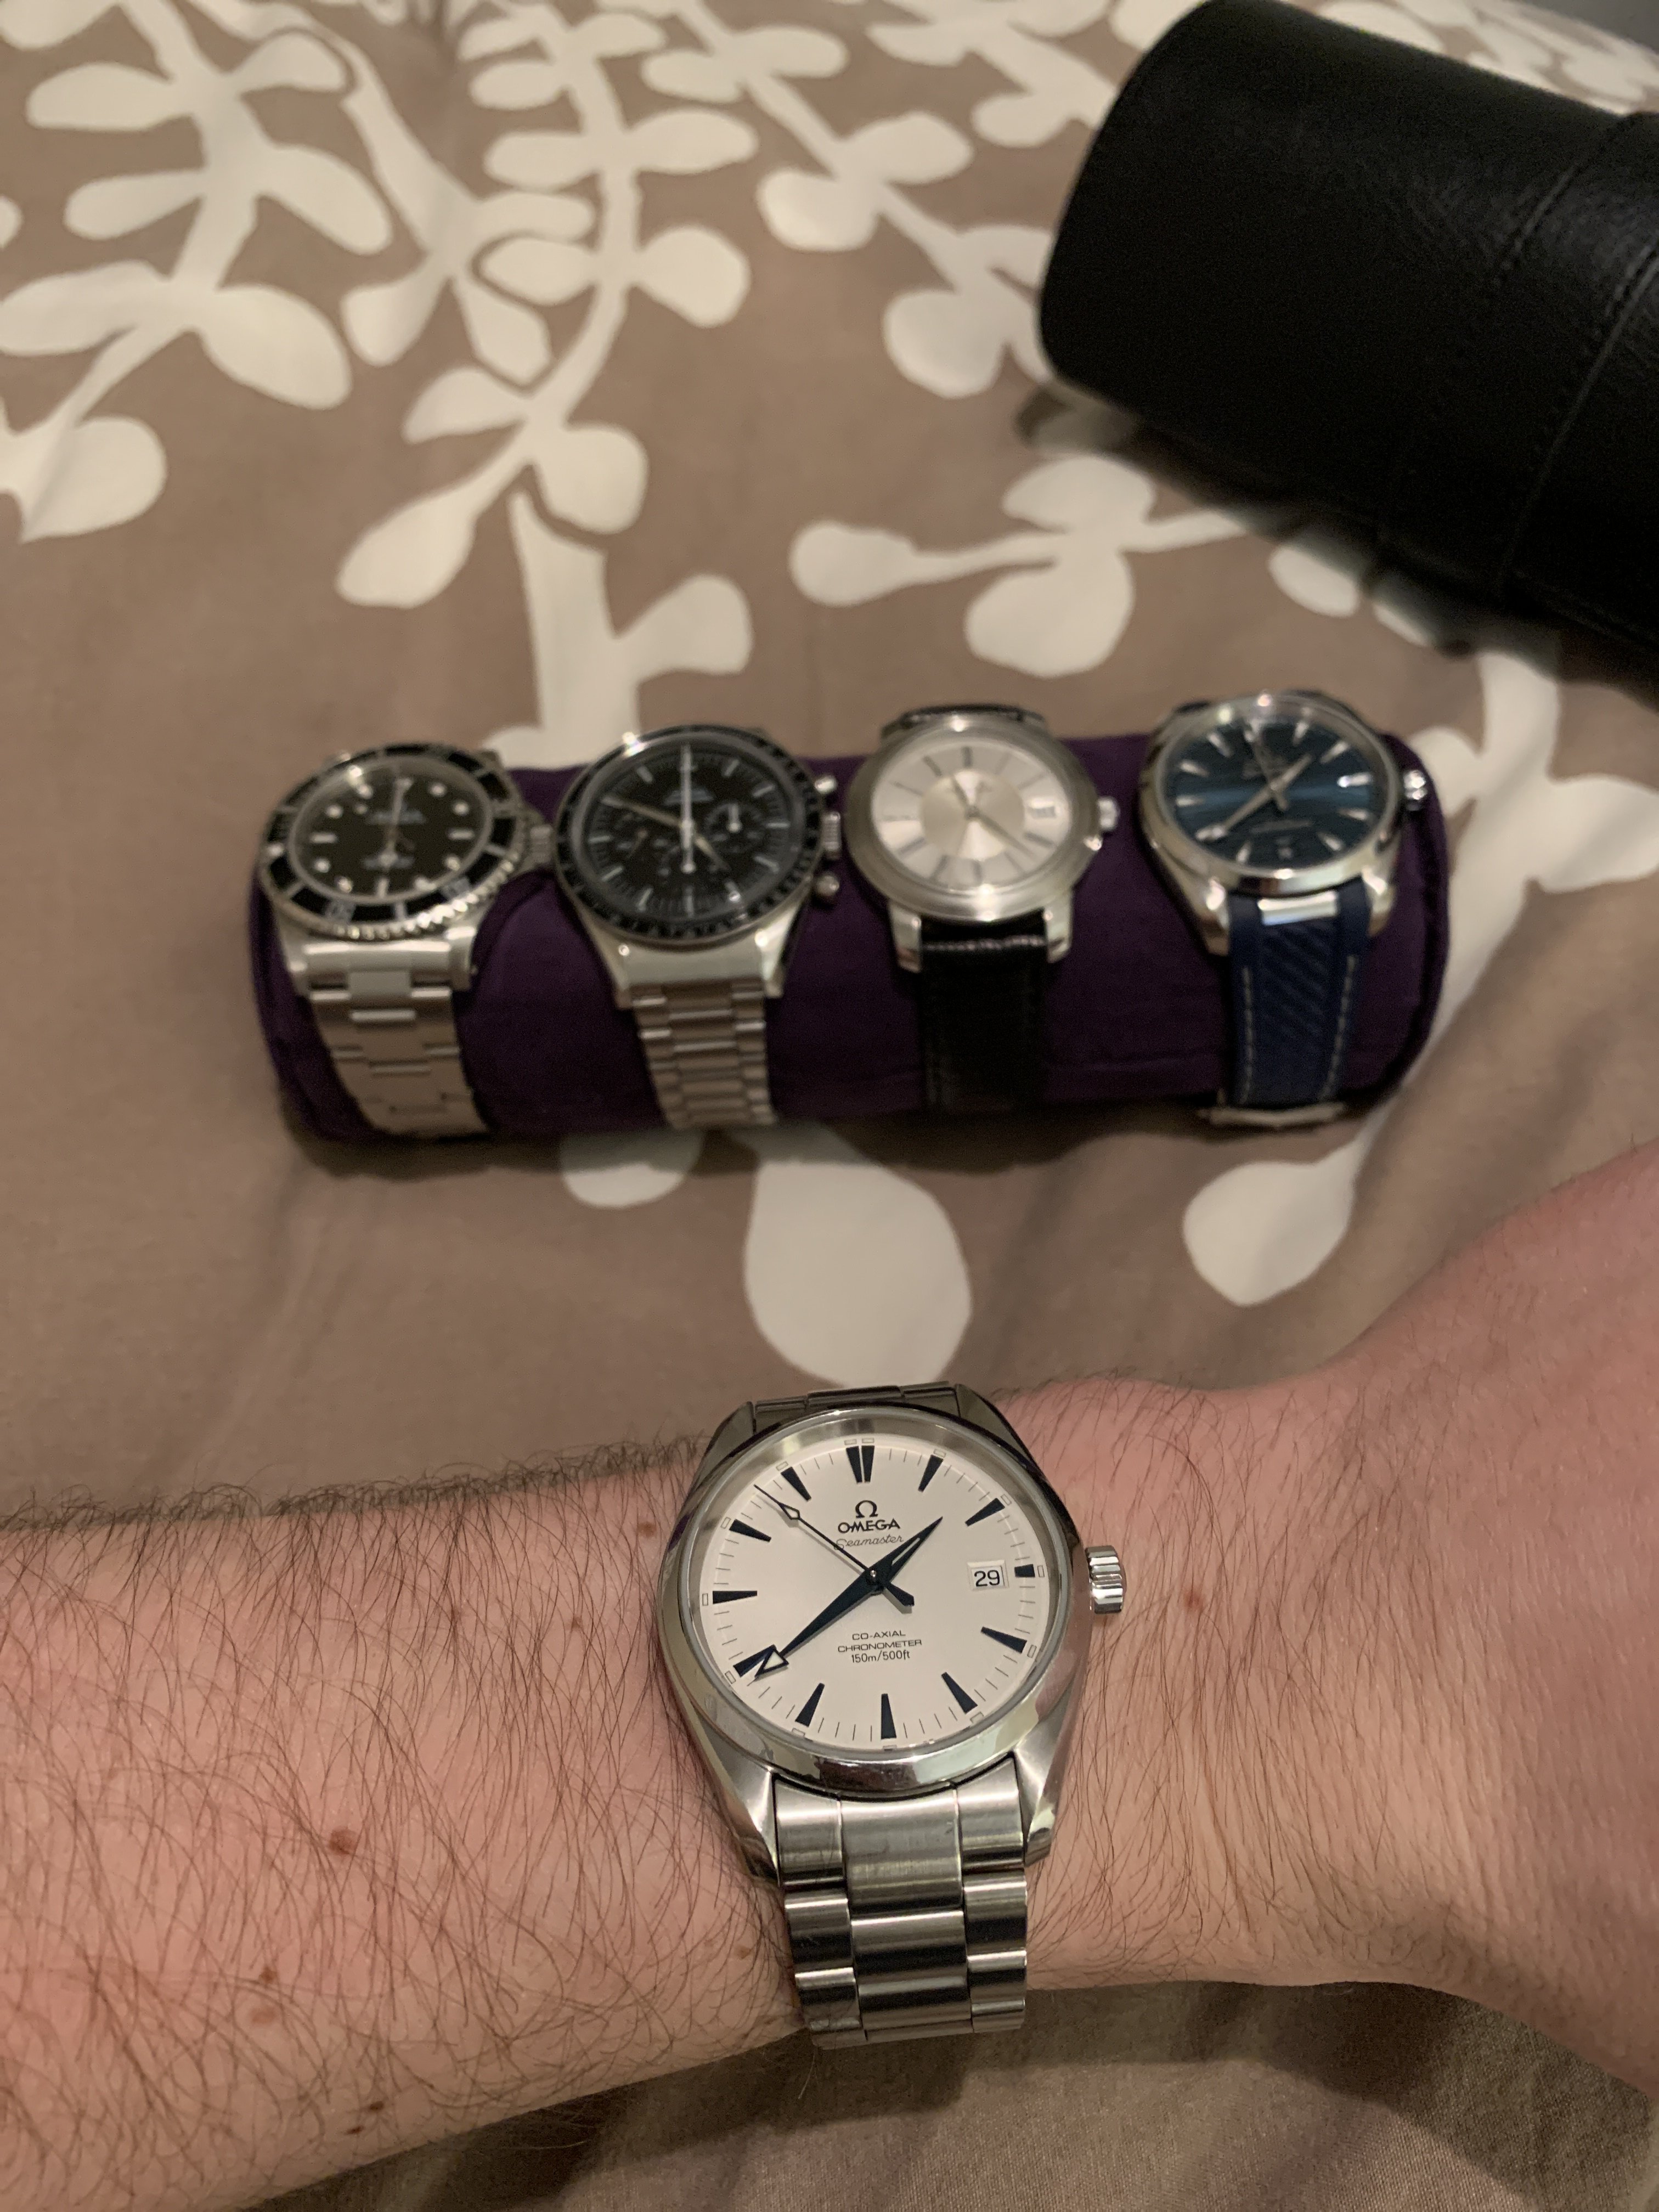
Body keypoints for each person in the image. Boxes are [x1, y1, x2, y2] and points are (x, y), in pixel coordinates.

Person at [1, 1141, 1655, 2211]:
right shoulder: (719, 1636)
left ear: (1088, 1588)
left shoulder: (1044, 1623)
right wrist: (1327, 1604)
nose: (873, 1581)